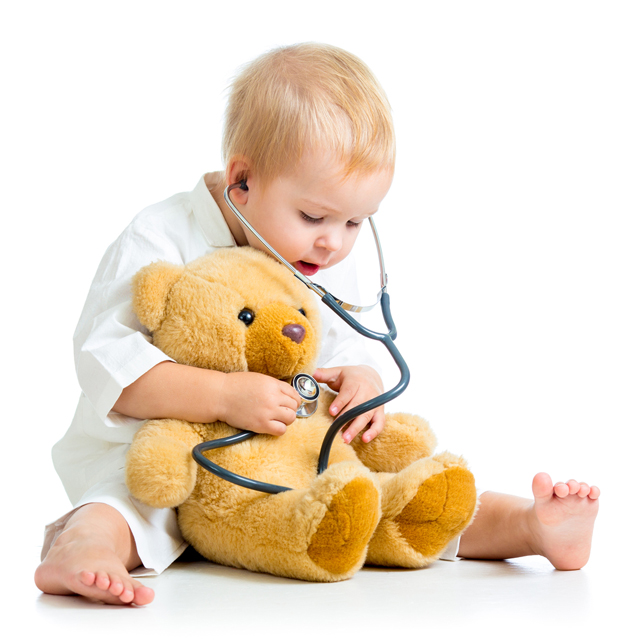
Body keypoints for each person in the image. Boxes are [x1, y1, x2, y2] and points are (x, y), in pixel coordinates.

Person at [34, 43, 599, 606]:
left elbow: (352, 348)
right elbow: (111, 368)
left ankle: (529, 526)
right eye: (314, 216)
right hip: (170, 460)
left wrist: (363, 383)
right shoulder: (158, 237)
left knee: (399, 496)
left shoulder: (320, 257)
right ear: (243, 181)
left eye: (357, 221)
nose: (334, 242)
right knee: (127, 503)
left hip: (283, 455)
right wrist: (224, 396)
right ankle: (81, 548)